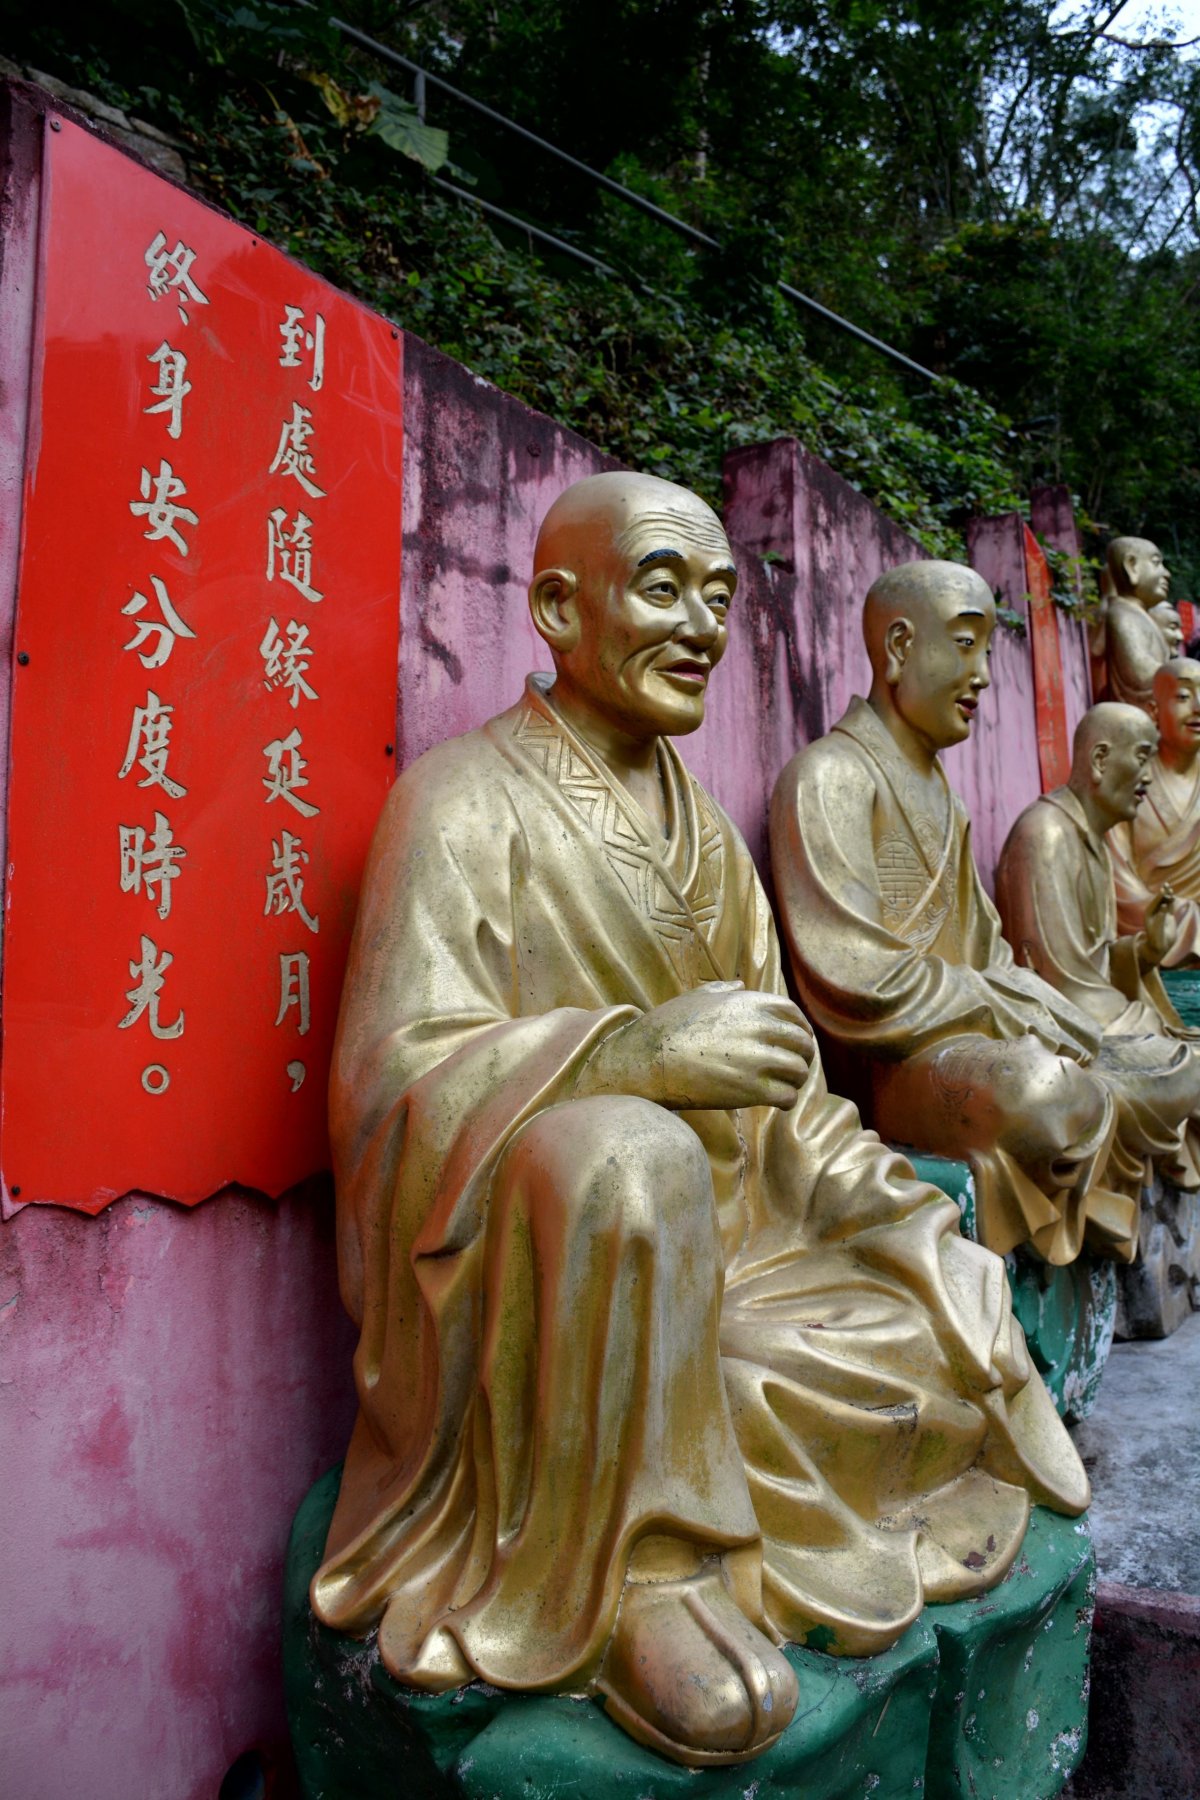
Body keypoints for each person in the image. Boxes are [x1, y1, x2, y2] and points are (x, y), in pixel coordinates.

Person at [311, 475, 1088, 1770]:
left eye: (722, 600)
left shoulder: (711, 854)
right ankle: (638, 1572)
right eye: (663, 589)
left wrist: (917, 1235)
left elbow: (789, 1096)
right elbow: (392, 1085)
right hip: (566, 1306)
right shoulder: (460, 806)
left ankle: (743, 1484)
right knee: (629, 1150)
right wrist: (630, 1055)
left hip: (735, 1270)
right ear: (558, 609)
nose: (702, 629)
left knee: (915, 1328)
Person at [770, 560, 1137, 1267]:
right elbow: (852, 977)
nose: (983, 676)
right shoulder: (830, 777)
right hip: (895, 1061)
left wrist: (1022, 995)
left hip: (972, 1035)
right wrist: (1000, 999)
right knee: (1038, 1091)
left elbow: (989, 950)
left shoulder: (949, 801)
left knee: (1124, 1062)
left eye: (989, 653)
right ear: (900, 647)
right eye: (966, 645)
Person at [995, 703, 1200, 1194]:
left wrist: (1144, 951)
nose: (1149, 778)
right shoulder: (1044, 836)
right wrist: (1141, 1018)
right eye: (1143, 757)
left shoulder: (1093, 840)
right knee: (1185, 1065)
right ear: (1102, 760)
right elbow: (1056, 984)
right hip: (1063, 1027)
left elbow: (1095, 962)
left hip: (1102, 1015)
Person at [1109, 657, 1200, 965]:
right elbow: (1115, 877)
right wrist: (1170, 915)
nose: (1198, 707)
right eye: (1184, 697)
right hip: (1156, 925)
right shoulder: (1130, 779)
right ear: (1153, 710)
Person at [1094, 536, 1172, 712]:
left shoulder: (1139, 615)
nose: (1166, 573)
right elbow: (1139, 673)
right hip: (1136, 717)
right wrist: (1179, 673)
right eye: (1156, 563)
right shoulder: (1122, 615)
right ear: (1131, 566)